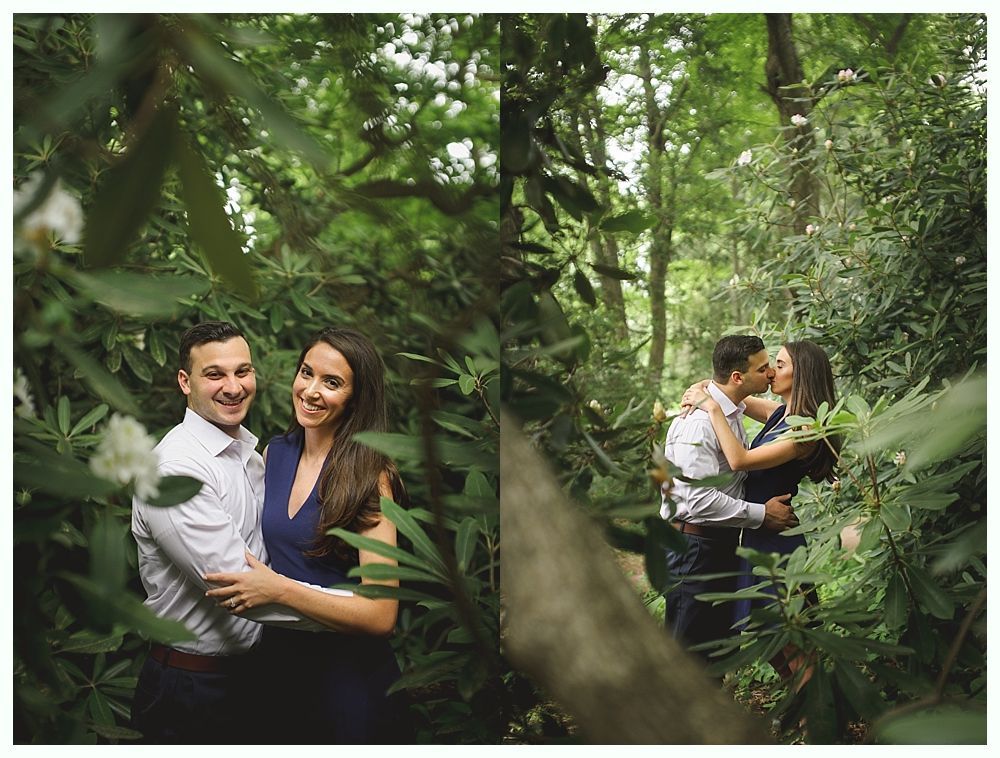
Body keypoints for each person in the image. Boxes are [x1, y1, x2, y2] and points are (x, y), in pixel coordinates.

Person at [130, 321, 340, 744]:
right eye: (215, 374)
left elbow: (273, 555)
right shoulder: (175, 470)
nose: (233, 386)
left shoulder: (251, 453)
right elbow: (239, 589)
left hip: (255, 675)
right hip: (191, 687)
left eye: (242, 371)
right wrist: (353, 613)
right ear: (185, 382)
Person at [203, 327, 411, 744]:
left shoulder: (371, 476)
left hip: (348, 679)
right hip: (279, 669)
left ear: (357, 396)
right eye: (306, 373)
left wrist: (278, 590)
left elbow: (381, 613)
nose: (312, 391)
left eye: (332, 382)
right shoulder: (274, 454)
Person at [684, 339, 840, 686]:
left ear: (803, 376)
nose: (772, 372)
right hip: (759, 533)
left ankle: (821, 722)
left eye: (780, 366)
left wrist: (710, 408)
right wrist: (704, 388)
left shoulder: (805, 430)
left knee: (790, 640)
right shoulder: (780, 413)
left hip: (776, 541)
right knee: (770, 638)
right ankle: (810, 712)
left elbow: (739, 459)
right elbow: (732, 394)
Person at [661, 335, 799, 662]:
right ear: (738, 377)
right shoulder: (699, 423)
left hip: (722, 544)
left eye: (774, 366)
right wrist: (761, 514)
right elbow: (695, 501)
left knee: (715, 652)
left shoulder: (732, 412)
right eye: (763, 368)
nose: (769, 373)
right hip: (694, 548)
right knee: (687, 656)